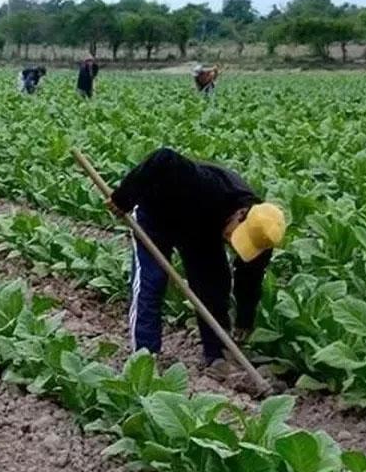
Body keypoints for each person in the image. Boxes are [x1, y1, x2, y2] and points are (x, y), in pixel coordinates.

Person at [106, 148, 286, 378]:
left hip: (202, 230)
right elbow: (163, 158)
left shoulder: (263, 234)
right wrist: (124, 198)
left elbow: (249, 279)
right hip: (158, 213)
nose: (233, 243)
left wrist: (244, 318)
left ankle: (216, 355)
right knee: (152, 281)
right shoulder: (206, 185)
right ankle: (144, 358)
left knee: (214, 287)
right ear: (241, 214)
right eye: (236, 236)